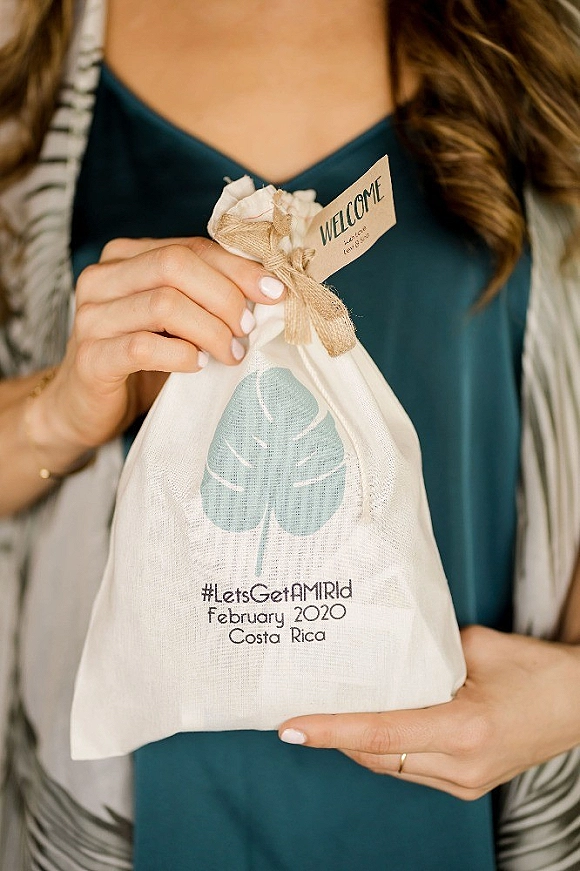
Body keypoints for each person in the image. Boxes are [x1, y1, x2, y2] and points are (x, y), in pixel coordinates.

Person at [0, 0, 579, 868]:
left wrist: (572, 694)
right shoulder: (27, 48)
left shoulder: (547, 35)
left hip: (473, 791)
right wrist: (59, 410)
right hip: (131, 818)